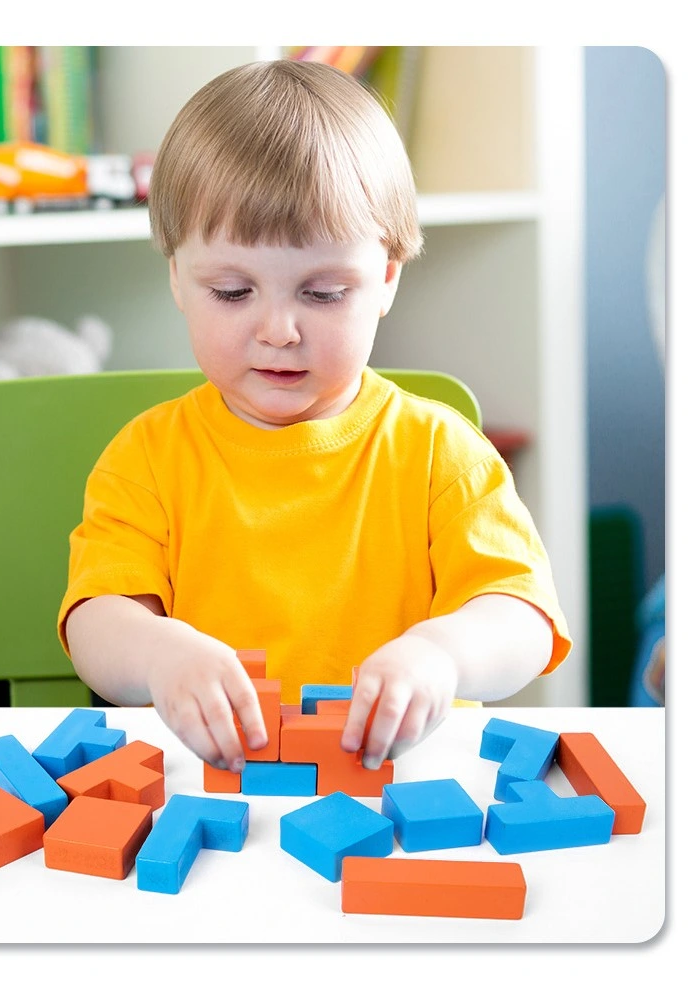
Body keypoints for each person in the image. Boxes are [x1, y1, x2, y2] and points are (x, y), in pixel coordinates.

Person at [58, 59, 572, 776]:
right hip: (213, 795)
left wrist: (442, 654)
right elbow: (95, 621)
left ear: (386, 278)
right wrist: (159, 653)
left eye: (324, 293)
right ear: (177, 275)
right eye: (233, 291)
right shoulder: (146, 456)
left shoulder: (440, 452)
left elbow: (523, 618)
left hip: (399, 793)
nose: (278, 330)